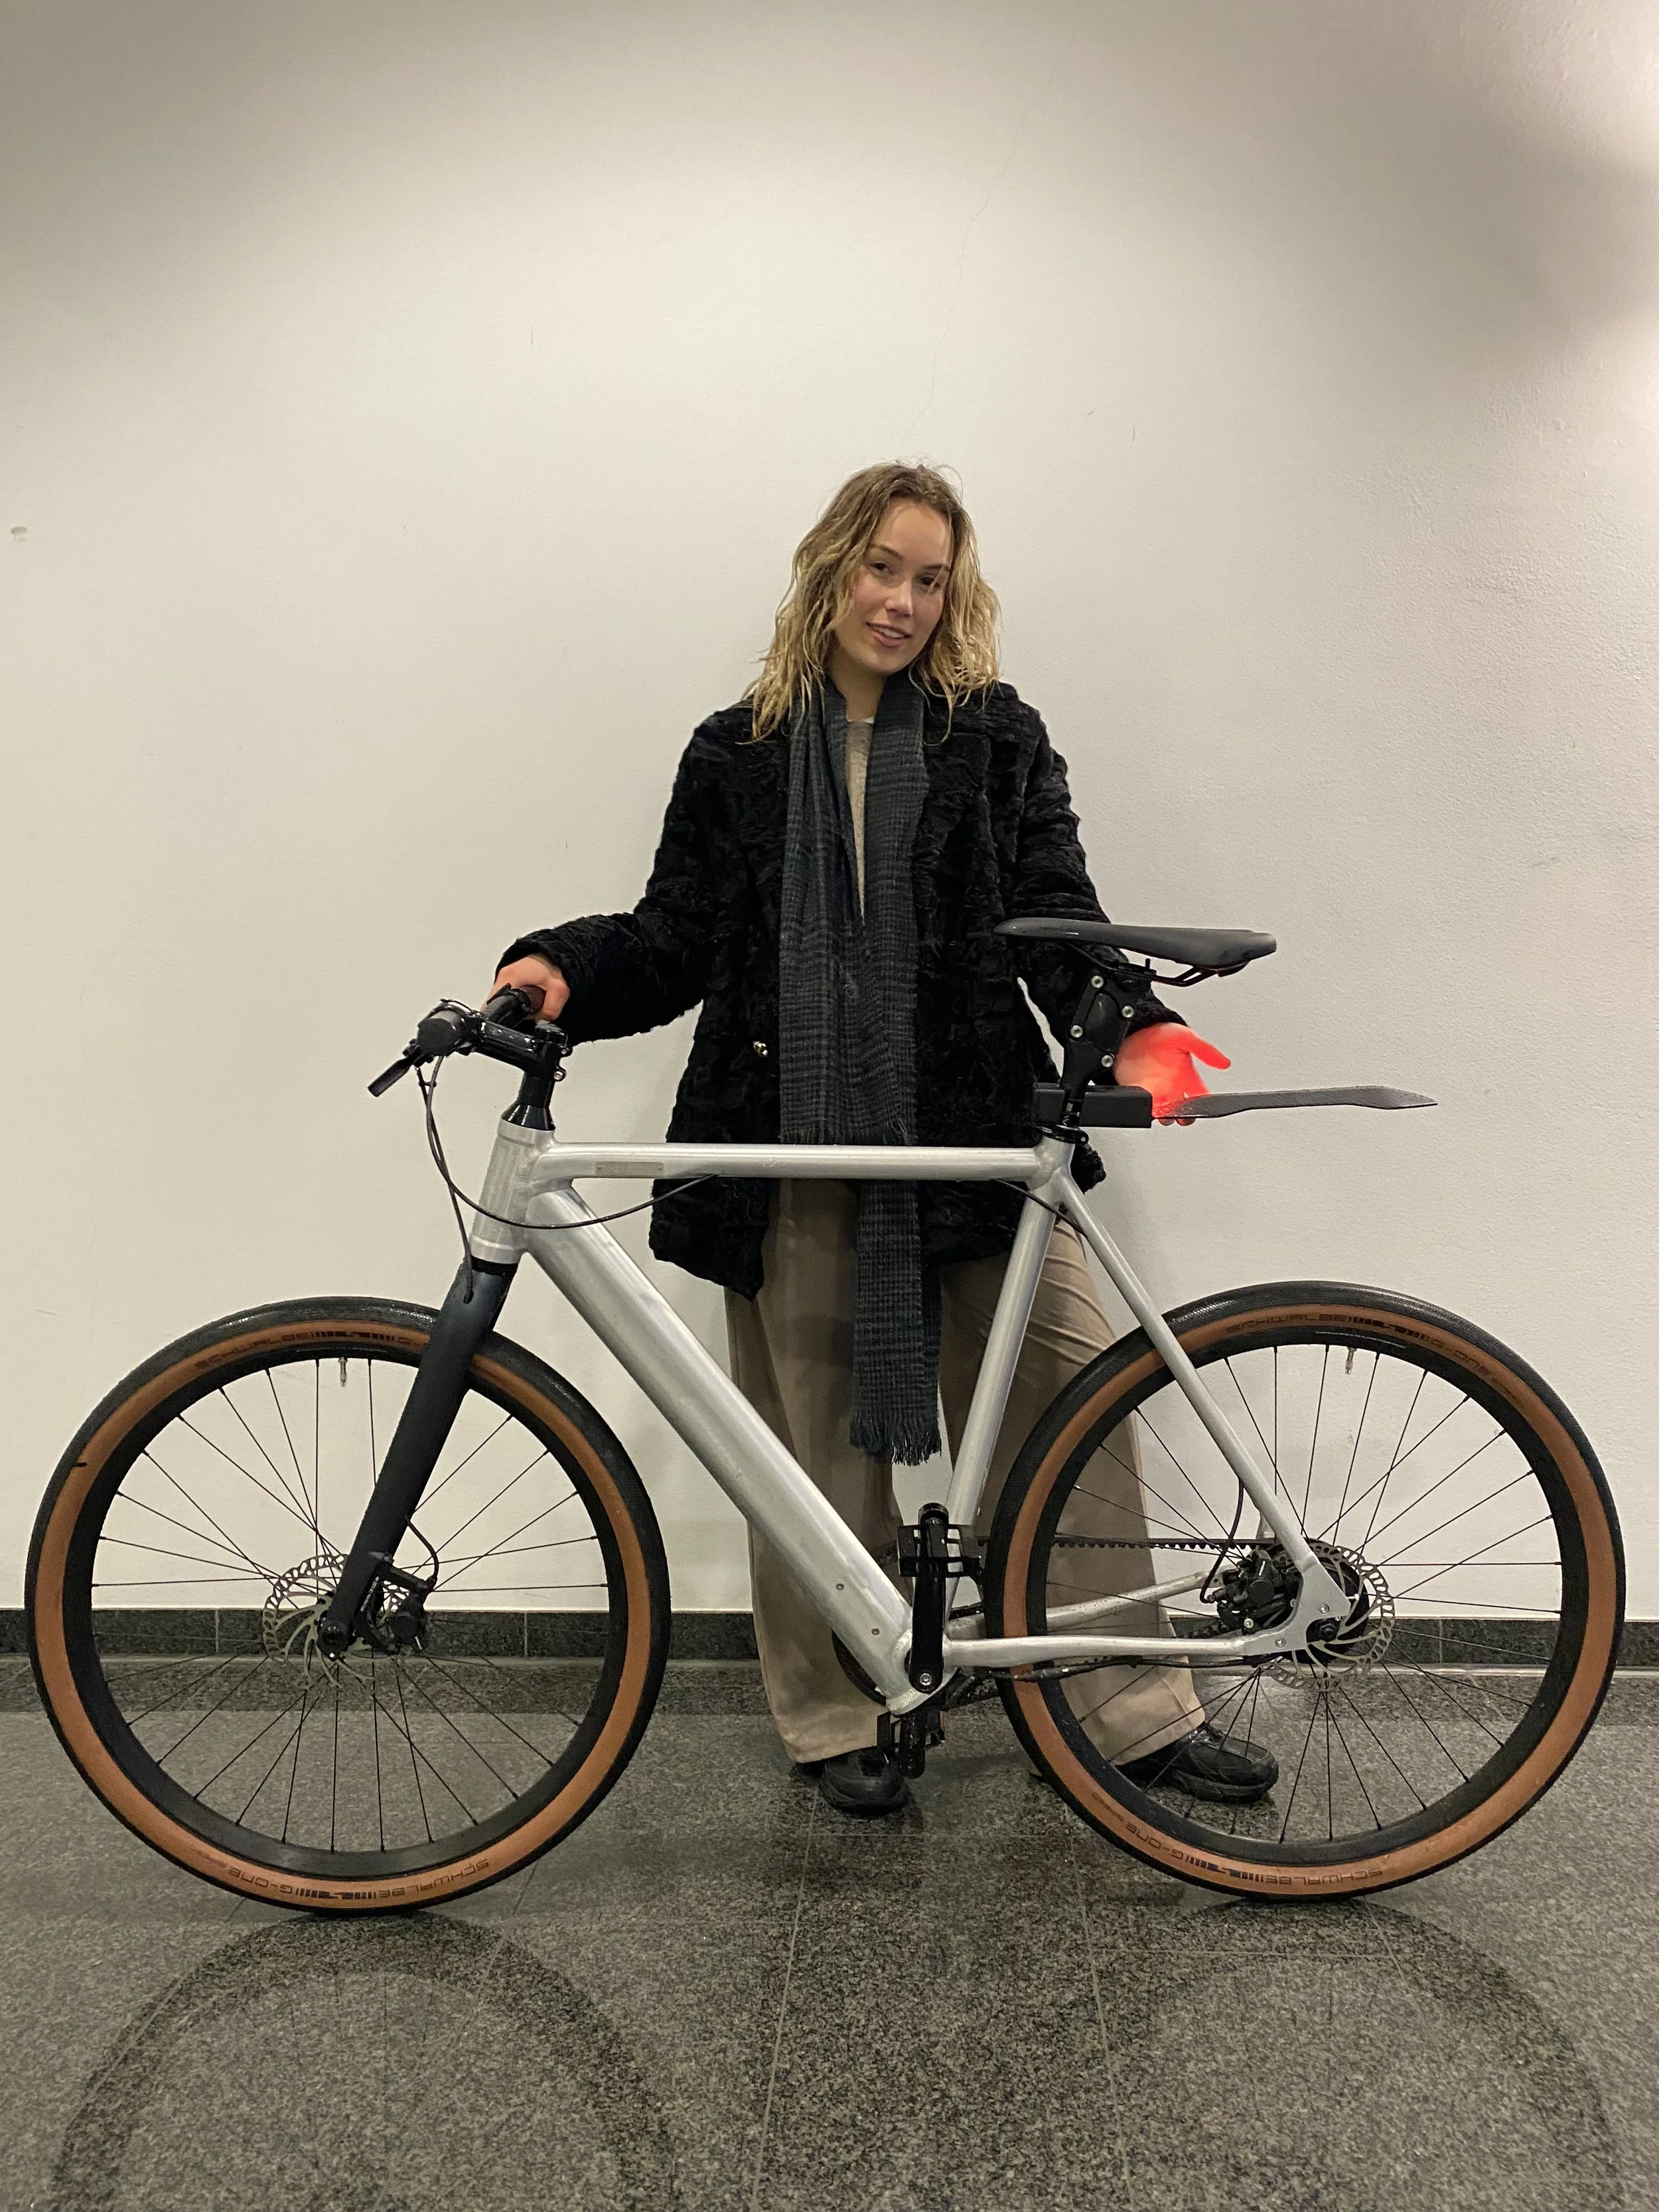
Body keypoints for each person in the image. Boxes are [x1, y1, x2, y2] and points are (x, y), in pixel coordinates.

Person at [493, 461, 1275, 1816]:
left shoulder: (997, 734)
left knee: (1078, 1404)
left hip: (964, 1130)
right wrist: (556, 964)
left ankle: (1132, 1714)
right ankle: (833, 1715)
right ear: (828, 570)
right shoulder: (733, 750)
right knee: (800, 1457)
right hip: (783, 1141)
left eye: (928, 578)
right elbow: (674, 938)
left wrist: (1130, 1022)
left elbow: (1054, 908)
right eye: (880, 569)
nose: (901, 600)